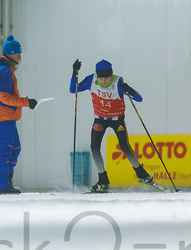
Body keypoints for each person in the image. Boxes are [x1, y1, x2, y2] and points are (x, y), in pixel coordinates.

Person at [69, 59, 162, 193]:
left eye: (107, 77)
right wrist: (74, 73)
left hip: (117, 119)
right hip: (99, 119)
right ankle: (103, 180)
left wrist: (128, 90)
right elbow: (73, 90)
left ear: (111, 75)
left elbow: (139, 99)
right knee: (94, 148)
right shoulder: (91, 80)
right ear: (97, 75)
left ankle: (142, 174)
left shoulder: (118, 82)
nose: (104, 81)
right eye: (101, 77)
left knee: (125, 147)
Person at [0, 34, 38, 194]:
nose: (20, 57)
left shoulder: (0, 69)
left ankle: (6, 181)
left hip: (5, 115)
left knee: (15, 148)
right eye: (17, 53)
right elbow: (4, 97)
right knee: (5, 150)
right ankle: (1, 186)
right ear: (10, 54)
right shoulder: (3, 71)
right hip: (3, 116)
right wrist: (27, 102)